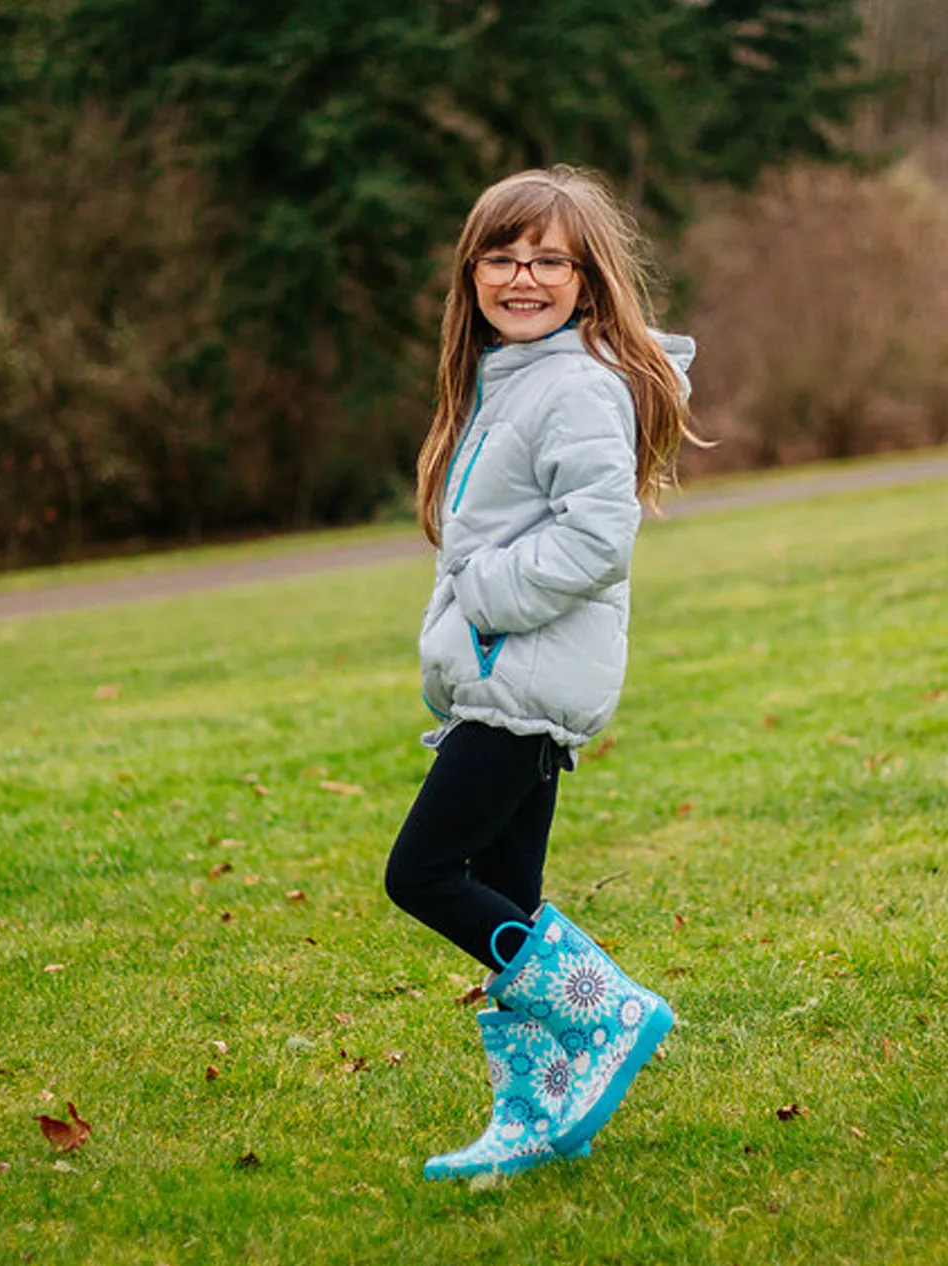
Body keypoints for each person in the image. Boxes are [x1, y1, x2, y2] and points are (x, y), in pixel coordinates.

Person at [384, 164, 697, 1181]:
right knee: (504, 899)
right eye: (501, 256)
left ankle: (606, 1010)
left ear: (586, 279)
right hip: (508, 679)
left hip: (521, 679)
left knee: (424, 874)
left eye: (547, 261)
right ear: (471, 270)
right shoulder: (510, 379)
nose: (523, 278)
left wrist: (486, 596)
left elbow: (599, 534)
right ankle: (531, 1112)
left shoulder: (573, 386)